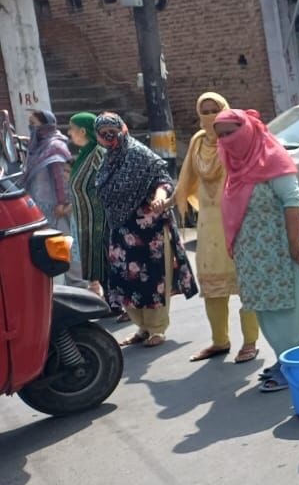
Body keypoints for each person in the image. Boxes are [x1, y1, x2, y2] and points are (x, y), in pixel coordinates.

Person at [213, 109, 299, 393]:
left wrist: (295, 244)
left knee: (289, 312)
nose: (227, 140)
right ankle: (284, 359)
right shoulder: (235, 163)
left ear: (247, 129)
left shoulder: (272, 158)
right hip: (253, 255)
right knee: (266, 310)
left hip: (282, 248)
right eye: (221, 135)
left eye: (232, 132)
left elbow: (293, 202)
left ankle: (297, 365)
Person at [95, 113, 199, 347]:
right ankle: (141, 327)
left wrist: (160, 197)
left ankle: (157, 329)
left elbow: (163, 181)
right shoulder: (108, 160)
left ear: (123, 129)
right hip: (121, 229)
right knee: (126, 279)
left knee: (153, 279)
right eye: (104, 133)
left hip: (149, 228)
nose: (109, 137)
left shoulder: (139, 154)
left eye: (113, 131)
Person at [175, 93, 260, 364]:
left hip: (239, 218)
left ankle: (250, 342)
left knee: (245, 283)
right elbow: (186, 178)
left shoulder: (237, 138)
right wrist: (167, 201)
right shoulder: (198, 142)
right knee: (212, 285)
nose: (211, 115)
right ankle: (219, 341)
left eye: (215, 109)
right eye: (205, 111)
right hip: (209, 222)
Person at [23, 110, 74, 283]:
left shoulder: (55, 147)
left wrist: (62, 202)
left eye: (34, 124)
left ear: (45, 126)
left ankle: (78, 284)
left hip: (55, 206)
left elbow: (60, 177)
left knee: (63, 243)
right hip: (41, 204)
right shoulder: (39, 147)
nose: (31, 127)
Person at [66, 112, 108, 296]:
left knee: (103, 263)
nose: (69, 133)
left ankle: (112, 302)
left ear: (83, 131)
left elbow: (107, 183)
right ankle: (100, 295)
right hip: (84, 217)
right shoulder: (84, 154)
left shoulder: (98, 153)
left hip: (97, 219)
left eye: (72, 129)